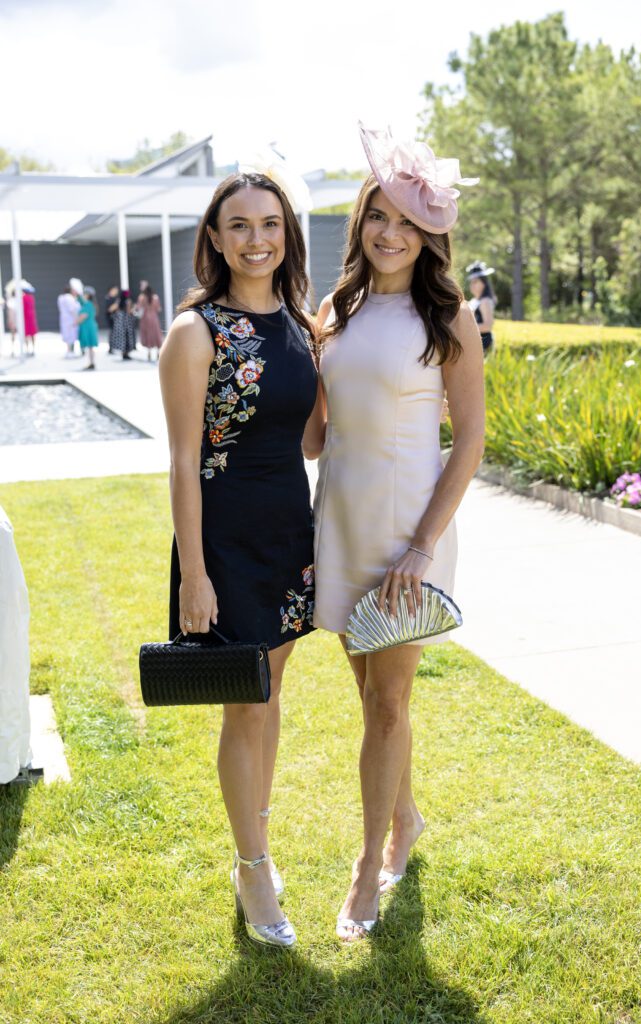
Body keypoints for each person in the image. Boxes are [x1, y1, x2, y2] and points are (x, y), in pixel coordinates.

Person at [307, 123, 486, 942]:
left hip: (409, 532)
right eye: (379, 216)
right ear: (361, 220)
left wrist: (421, 545)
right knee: (369, 699)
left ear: (431, 236)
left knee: (388, 704)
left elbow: (471, 443)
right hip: (339, 522)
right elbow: (316, 434)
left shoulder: (448, 318)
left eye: (408, 224)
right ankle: (404, 817)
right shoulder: (332, 311)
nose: (389, 234)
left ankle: (366, 868)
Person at [158, 168, 319, 950]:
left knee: (271, 691)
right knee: (243, 702)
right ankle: (252, 866)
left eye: (270, 225)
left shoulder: (300, 325)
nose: (256, 240)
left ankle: (256, 839)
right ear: (214, 239)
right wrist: (194, 572)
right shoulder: (195, 333)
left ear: (286, 234)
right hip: (223, 543)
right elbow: (183, 461)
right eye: (240, 225)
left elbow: (313, 438)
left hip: (290, 535)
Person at [466, 260, 496, 356]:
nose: (472, 285)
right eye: (471, 282)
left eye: (475, 282)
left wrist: (465, 329)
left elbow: (488, 326)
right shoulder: (474, 300)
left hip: (484, 342)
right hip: (475, 341)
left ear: (483, 283)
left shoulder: (485, 301)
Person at [134, 281, 164, 360]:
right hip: (154, 318)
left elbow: (138, 307)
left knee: (148, 334)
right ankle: (158, 352)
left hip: (145, 318)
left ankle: (149, 352)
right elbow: (159, 309)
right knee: (156, 334)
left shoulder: (142, 297)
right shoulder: (155, 297)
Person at [109, 288, 137, 360]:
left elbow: (111, 309)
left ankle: (123, 352)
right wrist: (134, 309)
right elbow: (129, 311)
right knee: (128, 337)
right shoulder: (128, 301)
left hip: (120, 321)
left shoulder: (118, 301)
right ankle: (126, 353)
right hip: (127, 321)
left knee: (121, 337)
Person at [77, 286, 99, 370]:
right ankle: (91, 362)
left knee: (90, 346)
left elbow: (83, 316)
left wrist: (75, 322)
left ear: (88, 295)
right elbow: (79, 299)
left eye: (84, 293)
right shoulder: (89, 303)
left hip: (88, 327)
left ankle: (92, 362)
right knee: (90, 347)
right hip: (89, 326)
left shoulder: (88, 304)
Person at [58, 283, 80, 357]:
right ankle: (70, 352)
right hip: (70, 319)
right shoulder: (69, 298)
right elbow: (72, 309)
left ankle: (68, 351)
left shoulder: (60, 297)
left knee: (67, 335)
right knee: (71, 335)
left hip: (64, 319)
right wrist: (76, 318)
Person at [21, 283, 39, 357]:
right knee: (32, 335)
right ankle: (33, 349)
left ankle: (28, 350)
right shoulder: (31, 297)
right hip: (31, 318)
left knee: (27, 335)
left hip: (26, 318)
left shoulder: (23, 298)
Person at [104, 285, 120, 354]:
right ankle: (111, 348)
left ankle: (114, 347)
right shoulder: (108, 298)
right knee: (112, 333)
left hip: (115, 317)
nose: (116, 291)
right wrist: (116, 305)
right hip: (110, 318)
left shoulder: (114, 298)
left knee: (114, 333)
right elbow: (109, 309)